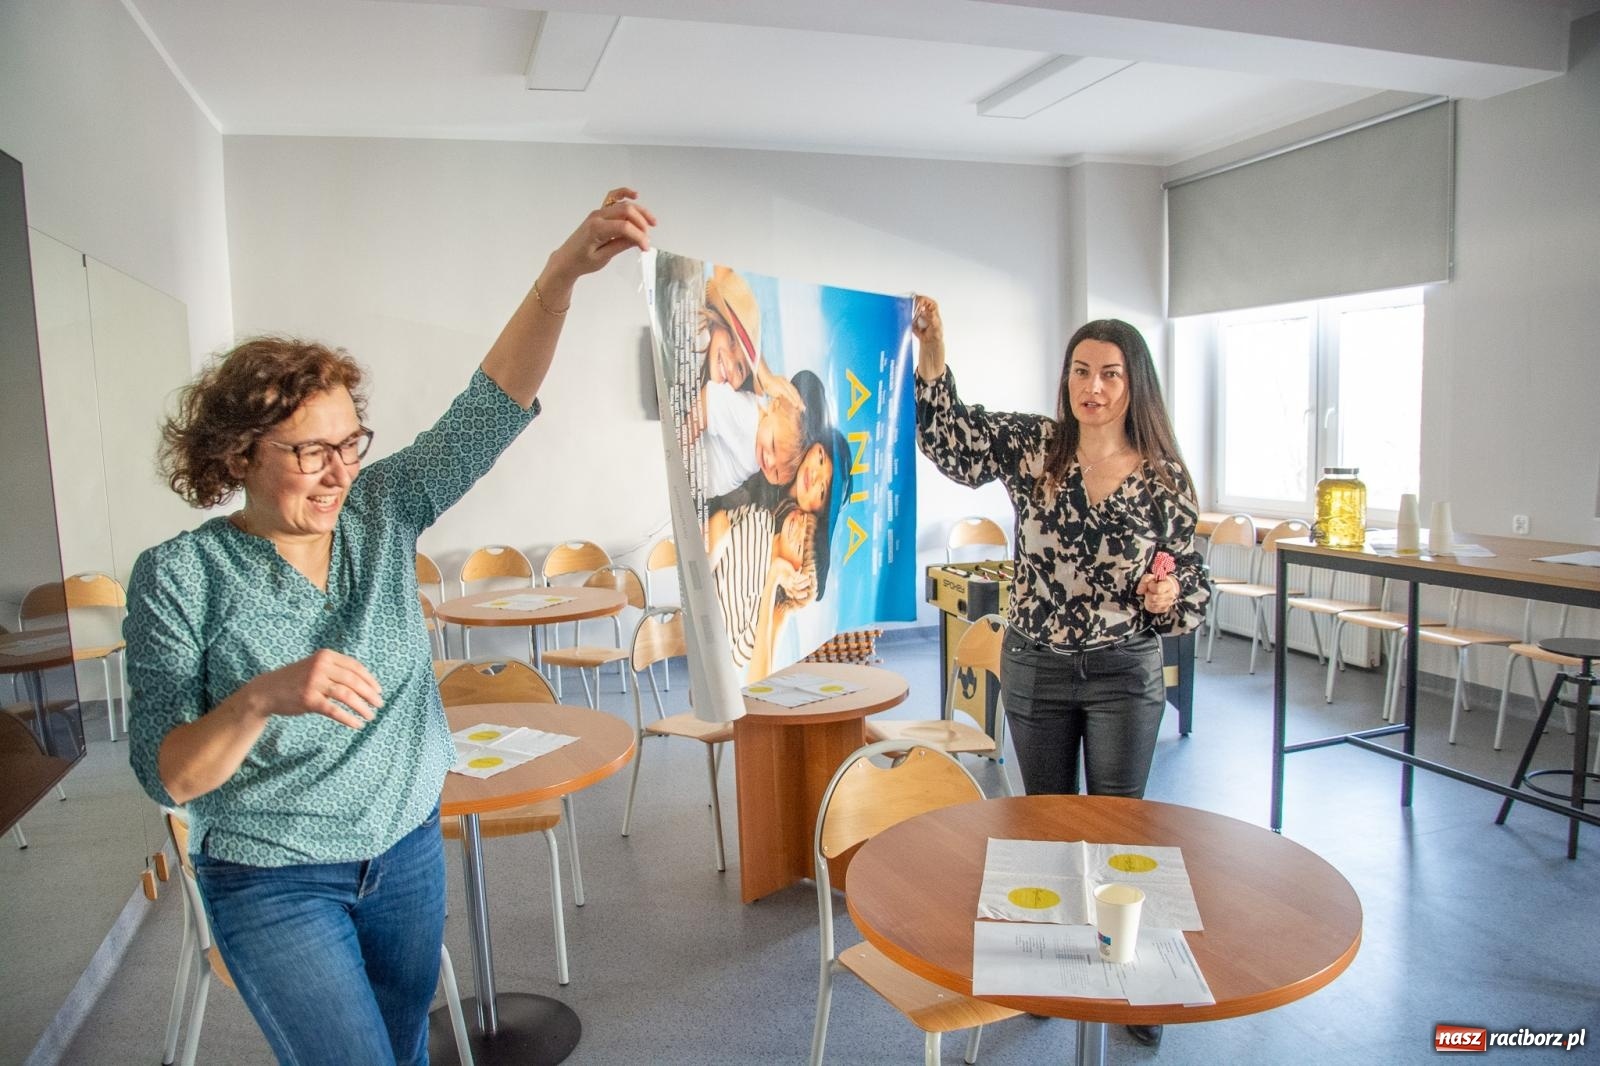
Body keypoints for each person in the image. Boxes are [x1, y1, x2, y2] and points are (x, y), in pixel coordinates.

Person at [125, 189, 655, 1066]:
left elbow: (486, 412)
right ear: (239, 456)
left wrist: (562, 276)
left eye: (349, 443)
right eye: (308, 452)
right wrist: (260, 698)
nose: (338, 473)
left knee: (407, 1048)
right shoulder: (180, 575)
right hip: (272, 875)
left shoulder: (382, 509)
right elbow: (167, 775)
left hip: (405, 848)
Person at [912, 296, 1207, 1050]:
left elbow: (1194, 587)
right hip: (1038, 665)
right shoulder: (1036, 446)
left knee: (1117, 830)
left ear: (1133, 384)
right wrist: (935, 354)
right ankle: (1043, 968)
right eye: (1081, 371)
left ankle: (1130, 977)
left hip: (1123, 672)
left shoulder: (1165, 479)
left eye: (1110, 374)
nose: (1094, 387)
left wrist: (1168, 593)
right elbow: (952, 444)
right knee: (1041, 827)